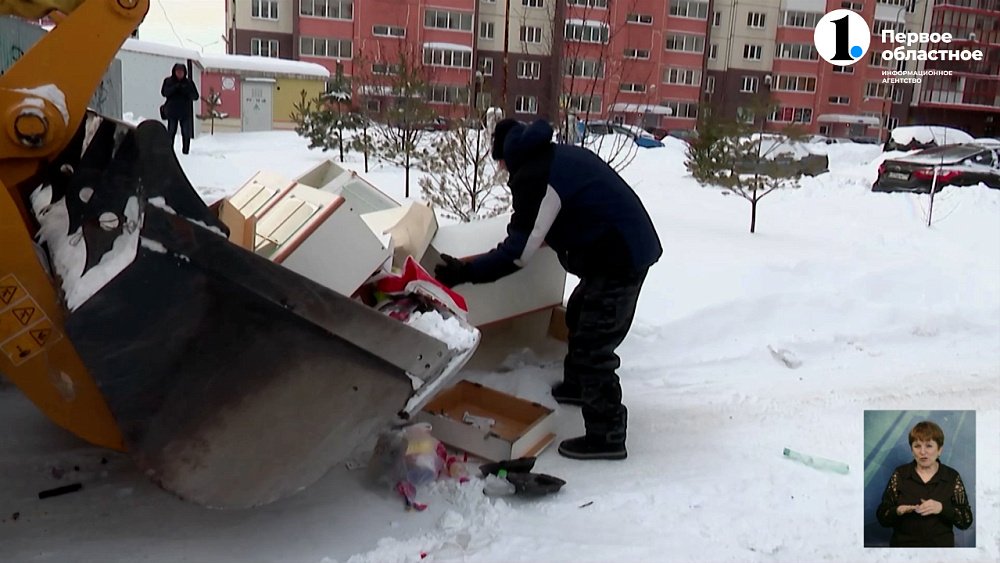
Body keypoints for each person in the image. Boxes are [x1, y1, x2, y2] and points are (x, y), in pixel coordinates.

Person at [434, 118, 662, 461]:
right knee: (580, 312)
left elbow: (519, 253)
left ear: (506, 157)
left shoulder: (537, 178)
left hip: (621, 257)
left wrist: (466, 272)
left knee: (594, 346)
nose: (500, 169)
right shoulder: (553, 156)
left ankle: (607, 434)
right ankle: (578, 386)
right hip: (613, 249)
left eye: (499, 162)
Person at [875, 420, 974, 547]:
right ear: (912, 450)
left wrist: (941, 508)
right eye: (917, 446)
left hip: (941, 551)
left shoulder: (952, 476)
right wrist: (897, 511)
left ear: (940, 450)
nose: (922, 452)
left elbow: (966, 521)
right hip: (903, 549)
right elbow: (882, 517)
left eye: (929, 446)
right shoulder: (900, 474)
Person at [160, 63, 199, 155]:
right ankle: (169, 152)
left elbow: (195, 96)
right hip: (172, 112)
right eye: (178, 71)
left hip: (185, 113)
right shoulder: (168, 81)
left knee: (186, 133)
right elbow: (164, 93)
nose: (179, 73)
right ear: (174, 72)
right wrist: (175, 88)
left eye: (181, 72)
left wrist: (186, 90)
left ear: (185, 72)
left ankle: (186, 152)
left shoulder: (189, 83)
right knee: (171, 133)